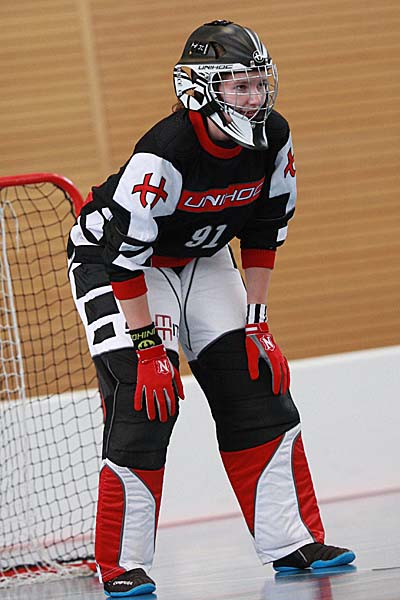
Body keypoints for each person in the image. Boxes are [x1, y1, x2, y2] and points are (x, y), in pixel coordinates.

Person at [67, 19, 355, 598]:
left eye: (259, 84)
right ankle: (120, 563)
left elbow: (265, 231)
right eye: (239, 86)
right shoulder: (164, 153)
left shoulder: (274, 136)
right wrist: (149, 350)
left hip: (203, 259)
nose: (254, 98)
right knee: (146, 402)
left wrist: (258, 323)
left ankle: (292, 541)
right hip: (122, 266)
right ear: (198, 89)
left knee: (255, 381)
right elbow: (125, 260)